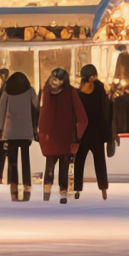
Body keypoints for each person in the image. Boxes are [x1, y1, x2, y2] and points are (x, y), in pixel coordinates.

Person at [36, 67, 89, 201]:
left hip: (48, 135)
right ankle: (63, 192)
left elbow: (40, 113)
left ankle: (47, 191)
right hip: (66, 134)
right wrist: (78, 136)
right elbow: (82, 116)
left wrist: (40, 132)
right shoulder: (71, 92)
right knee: (64, 165)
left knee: (49, 163)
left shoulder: (45, 91)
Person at [73, 63, 116, 199]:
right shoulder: (100, 91)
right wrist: (109, 133)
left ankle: (77, 189)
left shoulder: (78, 93)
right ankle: (103, 189)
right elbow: (106, 113)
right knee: (100, 162)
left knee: (79, 161)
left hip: (82, 133)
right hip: (97, 132)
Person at [0, 70, 38, 201]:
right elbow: (36, 105)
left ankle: (13, 184)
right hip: (25, 129)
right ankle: (27, 184)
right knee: (25, 159)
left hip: (11, 130)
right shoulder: (30, 91)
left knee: (12, 160)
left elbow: (1, 110)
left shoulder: (7, 92)